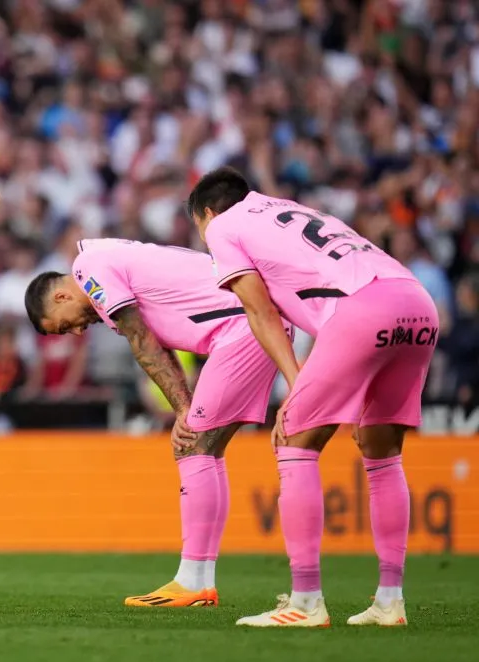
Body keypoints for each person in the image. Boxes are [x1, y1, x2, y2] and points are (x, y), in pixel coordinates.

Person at [188, 167, 437, 628]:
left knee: (293, 442)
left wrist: (294, 382)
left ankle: (305, 601)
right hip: (417, 303)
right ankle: (390, 601)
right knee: (381, 451)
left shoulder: (223, 224)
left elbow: (259, 311)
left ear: (205, 213)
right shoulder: (287, 208)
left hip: (363, 308)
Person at [25, 238, 289, 608]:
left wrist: (182, 408)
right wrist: (184, 406)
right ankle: (201, 581)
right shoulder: (111, 263)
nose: (77, 333)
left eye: (63, 327)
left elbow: (142, 339)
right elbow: (156, 342)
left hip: (242, 327)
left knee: (191, 443)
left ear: (60, 298)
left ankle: (193, 580)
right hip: (253, 322)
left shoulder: (89, 270)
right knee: (207, 450)